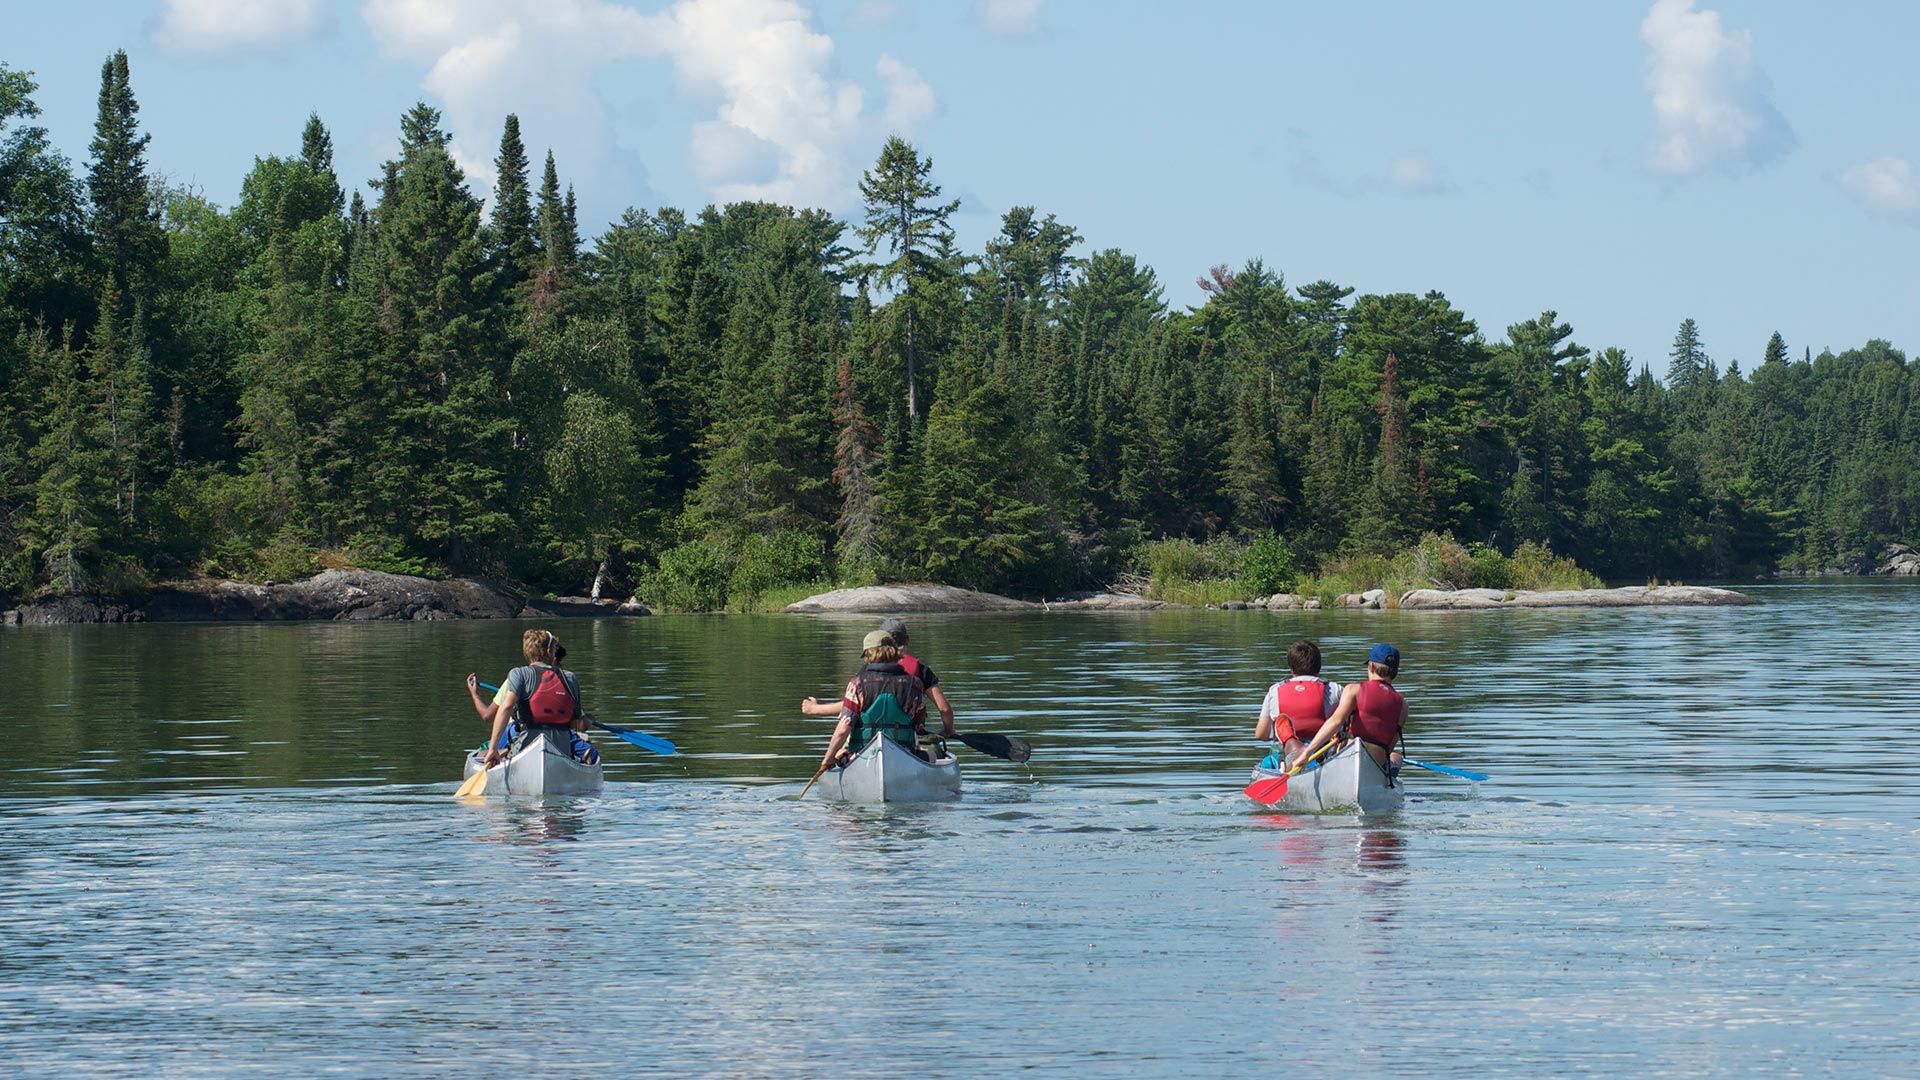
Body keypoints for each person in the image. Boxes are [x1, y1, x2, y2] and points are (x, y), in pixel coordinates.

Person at [804, 629, 932, 774]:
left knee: (841, 754)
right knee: (932, 756)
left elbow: (843, 728)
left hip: (861, 755)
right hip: (904, 755)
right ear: (895, 652)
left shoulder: (857, 684)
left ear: (868, 654)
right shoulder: (915, 685)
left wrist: (829, 759)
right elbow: (919, 723)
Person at [466, 629, 598, 768]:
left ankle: (496, 752)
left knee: (493, 744)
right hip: (562, 745)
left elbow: (505, 708)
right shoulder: (570, 678)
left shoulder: (518, 674)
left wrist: (493, 749)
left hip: (526, 741)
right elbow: (576, 725)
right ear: (549, 652)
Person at [1289, 643, 1406, 776]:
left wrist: (1306, 753)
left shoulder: (1354, 690)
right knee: (1396, 757)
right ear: (1395, 671)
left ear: (1371, 667)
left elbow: (1335, 722)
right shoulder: (1402, 705)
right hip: (1376, 766)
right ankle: (1389, 775)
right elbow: (1390, 745)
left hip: (1351, 759)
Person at [1253, 639, 1342, 770]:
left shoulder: (1275, 690)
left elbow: (1261, 734)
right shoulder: (1335, 689)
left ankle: (1289, 745)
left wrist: (1278, 734)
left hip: (1284, 756)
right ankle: (1303, 754)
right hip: (1322, 753)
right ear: (1319, 666)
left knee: (1270, 760)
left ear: (1291, 668)